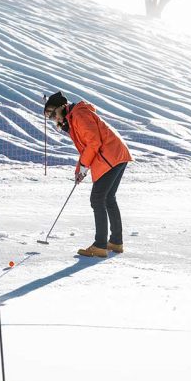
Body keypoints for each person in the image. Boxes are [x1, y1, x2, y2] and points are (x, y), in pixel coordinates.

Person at [44, 91, 133, 257]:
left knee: (98, 198)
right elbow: (87, 147)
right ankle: (115, 242)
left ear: (62, 107)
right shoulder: (74, 118)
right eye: (50, 118)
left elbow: (94, 142)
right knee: (108, 198)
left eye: (53, 114)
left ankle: (100, 245)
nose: (54, 119)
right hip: (116, 154)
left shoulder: (79, 115)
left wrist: (84, 166)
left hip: (111, 156)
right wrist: (80, 169)